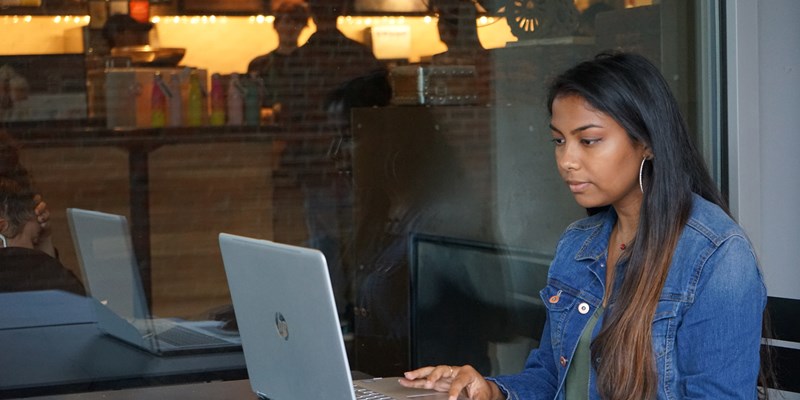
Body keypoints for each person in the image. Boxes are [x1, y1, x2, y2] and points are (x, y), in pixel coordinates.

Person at [400, 51, 770, 399]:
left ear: (648, 143)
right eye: (559, 141)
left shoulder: (717, 255)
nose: (567, 161)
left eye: (589, 141)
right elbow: (551, 376)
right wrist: (491, 390)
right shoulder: (580, 243)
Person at [246, 0, 309, 109]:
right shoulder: (259, 64)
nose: (291, 27)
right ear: (276, 25)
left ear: (303, 27)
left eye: (297, 22)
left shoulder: (309, 63)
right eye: (287, 21)